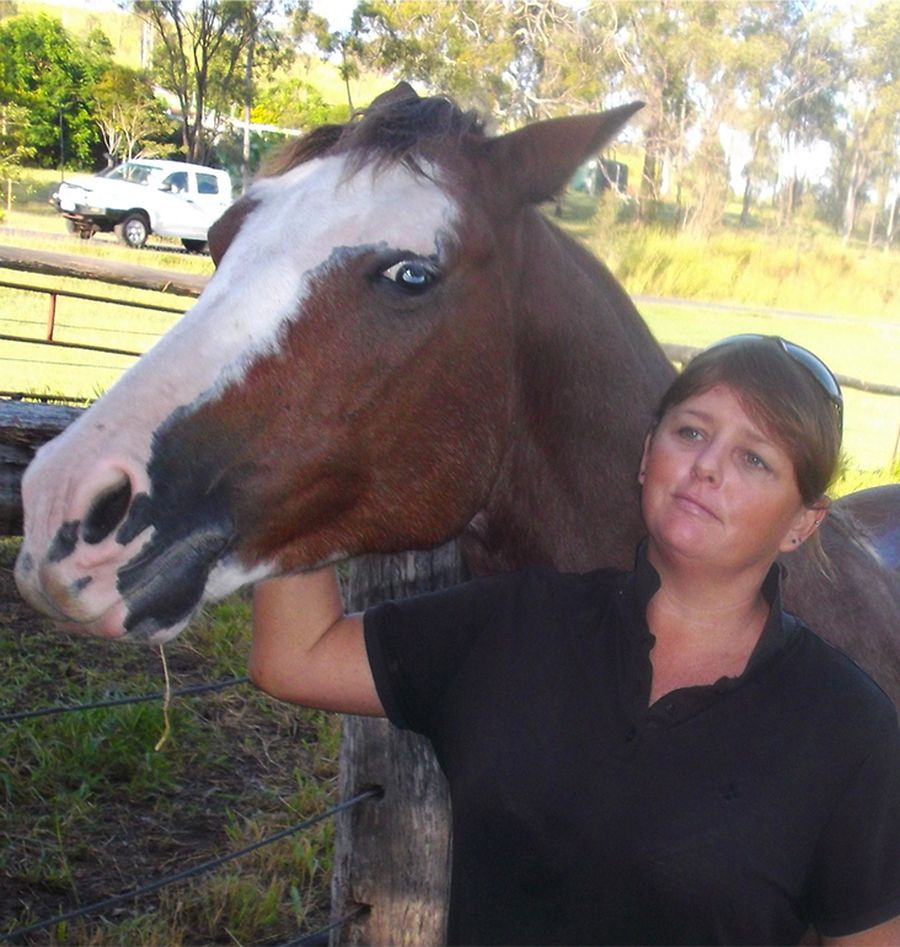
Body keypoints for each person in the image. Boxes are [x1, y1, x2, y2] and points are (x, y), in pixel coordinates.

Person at [249, 334, 900, 946]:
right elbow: (294, 656)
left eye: (754, 458)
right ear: (648, 456)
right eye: (692, 431)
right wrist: (297, 441)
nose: (706, 466)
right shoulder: (516, 623)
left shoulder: (847, 728)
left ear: (801, 524)